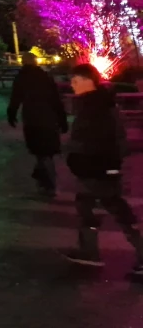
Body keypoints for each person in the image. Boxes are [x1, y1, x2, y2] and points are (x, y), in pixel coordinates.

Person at [64, 63, 143, 276]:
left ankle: (92, 253)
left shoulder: (96, 107)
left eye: (76, 81)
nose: (72, 85)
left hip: (97, 169)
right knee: (97, 207)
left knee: (109, 209)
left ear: (89, 81)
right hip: (97, 168)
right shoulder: (97, 103)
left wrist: (76, 156)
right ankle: (89, 252)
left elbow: (101, 140)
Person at [7, 51, 68, 196]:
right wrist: (62, 119)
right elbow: (56, 100)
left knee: (41, 153)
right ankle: (45, 182)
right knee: (46, 153)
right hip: (48, 118)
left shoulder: (21, 78)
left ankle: (48, 183)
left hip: (32, 119)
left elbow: (15, 98)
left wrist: (11, 114)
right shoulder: (45, 76)